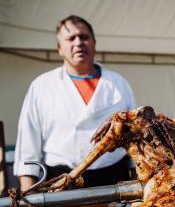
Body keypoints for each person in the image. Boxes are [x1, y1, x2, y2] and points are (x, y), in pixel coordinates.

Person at [14, 15, 138, 191]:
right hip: (59, 184)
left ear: (94, 43)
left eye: (84, 37)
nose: (78, 42)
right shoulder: (41, 86)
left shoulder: (118, 84)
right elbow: (28, 146)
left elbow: (136, 138)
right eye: (71, 38)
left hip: (113, 182)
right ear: (60, 49)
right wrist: (27, 200)